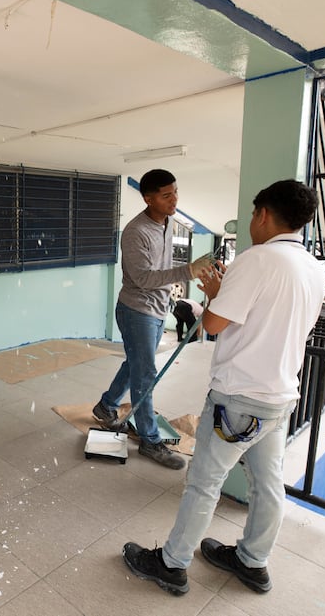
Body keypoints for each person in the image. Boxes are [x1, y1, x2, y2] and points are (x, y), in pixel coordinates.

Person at [123, 179, 325, 595]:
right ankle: (253, 561)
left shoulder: (257, 260)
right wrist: (225, 295)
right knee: (268, 485)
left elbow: (214, 324)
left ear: (264, 215)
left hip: (239, 399)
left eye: (253, 214)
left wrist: (217, 293)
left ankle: (172, 564)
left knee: (204, 483)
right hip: (280, 398)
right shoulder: (313, 267)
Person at [92, 169, 211, 469]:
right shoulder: (136, 232)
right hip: (137, 310)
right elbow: (144, 278)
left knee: (136, 365)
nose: (174, 200)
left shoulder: (168, 222)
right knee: (145, 374)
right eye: (166, 195)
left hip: (158, 307)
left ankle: (106, 406)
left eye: (175, 192)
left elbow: (161, 269)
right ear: (148, 199)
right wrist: (188, 271)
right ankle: (149, 440)